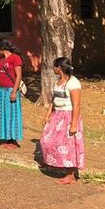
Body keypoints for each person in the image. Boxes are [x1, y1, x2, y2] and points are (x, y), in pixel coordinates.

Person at [40, 57, 85, 185]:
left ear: (59, 68)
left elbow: (76, 105)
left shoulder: (73, 83)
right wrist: (48, 115)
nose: (53, 69)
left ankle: (70, 175)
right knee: (46, 140)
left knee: (68, 145)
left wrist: (74, 124)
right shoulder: (57, 82)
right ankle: (54, 163)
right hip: (57, 115)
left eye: (54, 66)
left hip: (69, 116)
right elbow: (52, 100)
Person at [0, 38, 24, 149]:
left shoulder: (15, 58)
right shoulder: (2, 59)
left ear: (1, 48)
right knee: (4, 115)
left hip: (10, 90)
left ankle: (13, 140)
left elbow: (18, 76)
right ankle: (7, 138)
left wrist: (14, 91)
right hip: (1, 90)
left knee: (13, 115)